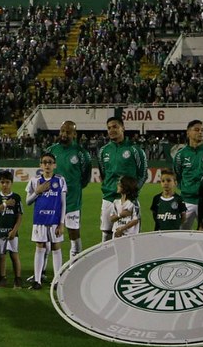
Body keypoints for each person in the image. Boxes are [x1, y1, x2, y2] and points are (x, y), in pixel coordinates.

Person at [45, 121, 91, 260]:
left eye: (68, 132)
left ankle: (74, 267)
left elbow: (85, 177)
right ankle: (44, 270)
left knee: (74, 234)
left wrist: (73, 189)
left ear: (74, 134)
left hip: (72, 201)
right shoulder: (51, 150)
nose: (64, 134)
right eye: (62, 131)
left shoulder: (81, 153)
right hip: (53, 200)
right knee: (48, 236)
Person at [98, 117, 148, 242]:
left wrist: (132, 194)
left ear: (123, 128)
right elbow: (104, 174)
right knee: (106, 234)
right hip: (108, 198)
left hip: (128, 200)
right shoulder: (103, 151)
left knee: (130, 235)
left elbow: (143, 174)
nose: (111, 130)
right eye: (109, 128)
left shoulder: (135, 150)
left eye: (115, 126)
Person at [26, 153, 68, 289]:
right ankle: (37, 281)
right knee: (40, 248)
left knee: (56, 247)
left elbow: (63, 203)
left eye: (50, 162)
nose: (47, 165)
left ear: (54, 165)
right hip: (39, 220)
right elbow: (27, 202)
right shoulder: (35, 180)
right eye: (44, 162)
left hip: (55, 220)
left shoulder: (60, 180)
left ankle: (57, 281)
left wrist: (62, 223)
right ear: (40, 165)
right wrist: (37, 191)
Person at [173, 120, 203, 230]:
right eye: (197, 130)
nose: (200, 132)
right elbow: (177, 174)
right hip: (186, 201)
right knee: (180, 234)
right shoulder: (180, 155)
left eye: (202, 130)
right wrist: (186, 188)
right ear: (188, 133)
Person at [0, 170, 23, 289]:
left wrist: (14, 231)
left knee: (14, 255)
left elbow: (19, 215)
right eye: (2, 182)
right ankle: (2, 279)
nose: (5, 185)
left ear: (11, 183)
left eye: (7, 182)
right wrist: (5, 204)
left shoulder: (16, 197)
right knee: (1, 256)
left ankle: (18, 279)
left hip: (12, 232)